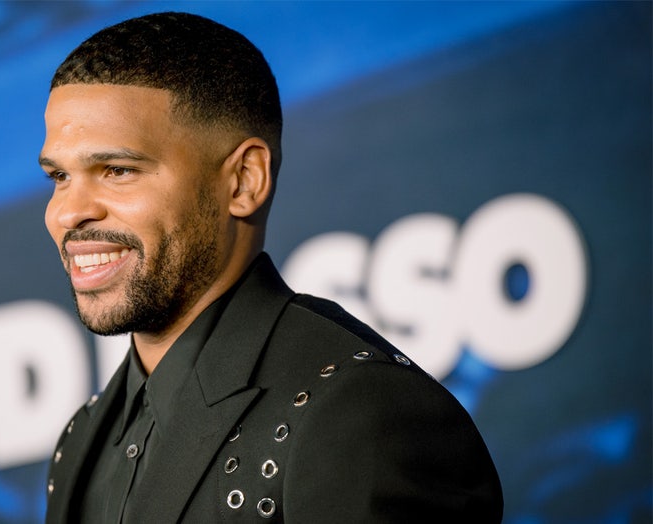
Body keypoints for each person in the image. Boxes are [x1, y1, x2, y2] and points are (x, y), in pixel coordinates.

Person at [39, 11, 503, 523]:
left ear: (244, 180)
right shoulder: (81, 441)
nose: (67, 212)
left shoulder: (361, 413)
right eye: (58, 176)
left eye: (118, 170)